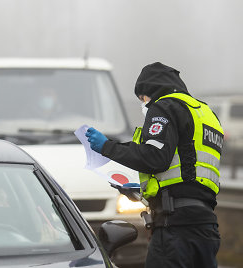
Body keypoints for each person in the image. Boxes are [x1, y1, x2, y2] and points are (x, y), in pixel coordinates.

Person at [85, 62, 222, 268]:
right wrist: (142, 191)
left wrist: (107, 147)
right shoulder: (206, 114)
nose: (143, 103)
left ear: (151, 90)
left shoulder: (164, 106)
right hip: (206, 227)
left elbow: (155, 158)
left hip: (175, 228)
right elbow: (186, 171)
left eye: (142, 98)